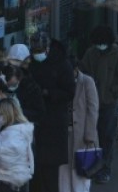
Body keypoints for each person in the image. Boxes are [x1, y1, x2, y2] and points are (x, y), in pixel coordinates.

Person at [79, 26, 118, 184]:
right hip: (91, 103)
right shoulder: (90, 53)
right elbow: (83, 71)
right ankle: (93, 167)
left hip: (108, 103)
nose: (98, 46)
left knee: (106, 136)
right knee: (91, 136)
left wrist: (111, 94)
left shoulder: (117, 54)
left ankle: (104, 168)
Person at [27, 32, 76, 192]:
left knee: (50, 171)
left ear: (48, 49)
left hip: (53, 122)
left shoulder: (61, 64)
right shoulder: (31, 64)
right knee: (35, 168)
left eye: (40, 51)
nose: (37, 54)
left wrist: (48, 93)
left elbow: (69, 92)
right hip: (36, 121)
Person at [67, 61, 98, 191]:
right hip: (68, 134)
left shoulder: (87, 82)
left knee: (82, 175)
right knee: (68, 174)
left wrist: (90, 135)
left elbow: (93, 109)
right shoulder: (64, 82)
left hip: (83, 136)